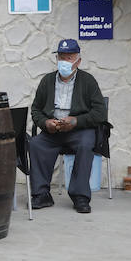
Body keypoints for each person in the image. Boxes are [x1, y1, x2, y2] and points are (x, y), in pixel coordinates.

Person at [29, 38, 107, 214]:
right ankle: (41, 194)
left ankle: (80, 196)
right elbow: (36, 110)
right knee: (35, 144)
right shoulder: (47, 81)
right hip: (53, 130)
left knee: (86, 145)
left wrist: (76, 121)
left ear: (78, 61)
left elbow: (100, 113)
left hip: (78, 130)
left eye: (69, 58)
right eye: (61, 57)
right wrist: (45, 123)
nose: (64, 62)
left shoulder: (88, 81)